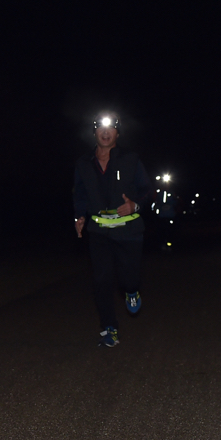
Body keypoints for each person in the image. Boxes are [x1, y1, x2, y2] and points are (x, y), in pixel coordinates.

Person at [73, 112, 152, 348]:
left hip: (129, 231)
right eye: (100, 128)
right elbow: (79, 194)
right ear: (94, 132)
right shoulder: (83, 164)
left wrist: (134, 204)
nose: (105, 132)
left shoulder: (131, 159)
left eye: (111, 128)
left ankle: (131, 290)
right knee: (102, 280)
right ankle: (109, 329)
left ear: (117, 133)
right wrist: (79, 216)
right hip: (99, 232)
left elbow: (148, 191)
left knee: (129, 277)